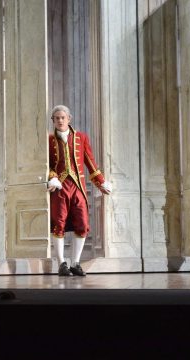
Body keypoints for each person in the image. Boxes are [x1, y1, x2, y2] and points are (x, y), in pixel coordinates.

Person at [48, 105, 111, 276]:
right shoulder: (49, 140)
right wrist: (51, 176)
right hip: (60, 188)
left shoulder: (81, 138)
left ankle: (75, 262)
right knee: (58, 223)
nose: (60, 120)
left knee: (82, 224)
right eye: (57, 118)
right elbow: (47, 165)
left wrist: (101, 182)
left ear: (69, 119)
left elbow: (90, 162)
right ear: (53, 120)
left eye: (63, 117)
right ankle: (62, 263)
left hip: (78, 188)